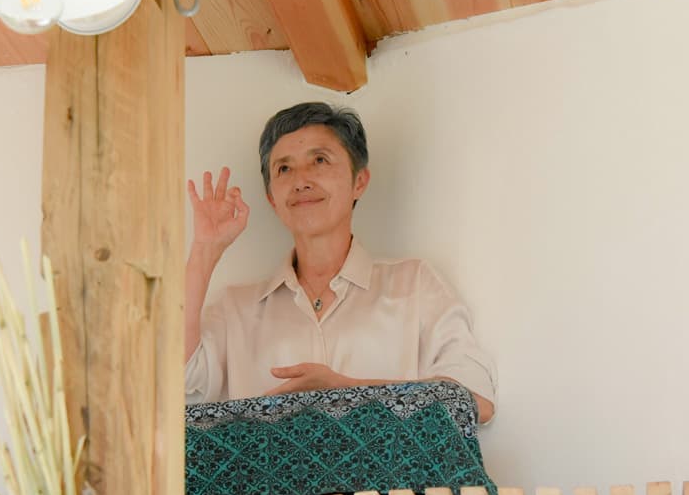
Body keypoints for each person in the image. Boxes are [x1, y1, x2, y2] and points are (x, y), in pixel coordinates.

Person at [184, 102, 496, 423]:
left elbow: (475, 402)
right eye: (284, 169)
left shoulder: (415, 284)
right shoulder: (234, 309)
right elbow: (170, 379)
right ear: (271, 199)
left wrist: (346, 392)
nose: (301, 181)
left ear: (359, 181)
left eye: (319, 160)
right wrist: (205, 249)